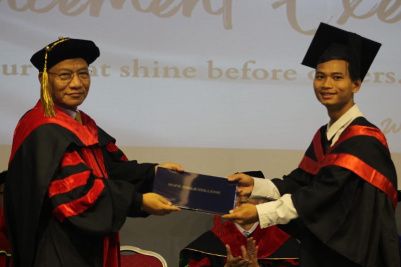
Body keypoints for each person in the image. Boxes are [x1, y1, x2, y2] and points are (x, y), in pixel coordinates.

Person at [223, 23, 400, 267]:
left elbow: (319, 196)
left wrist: (260, 213)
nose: (326, 84)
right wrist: (255, 186)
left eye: (337, 77)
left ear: (356, 84)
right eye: (320, 76)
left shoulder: (363, 140)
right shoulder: (325, 134)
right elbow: (300, 182)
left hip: (353, 256)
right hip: (323, 251)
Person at [4, 38, 183, 267]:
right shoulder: (43, 129)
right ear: (43, 80)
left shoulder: (81, 122)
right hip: (59, 248)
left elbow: (110, 168)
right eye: (65, 75)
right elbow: (77, 193)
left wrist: (154, 173)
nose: (77, 83)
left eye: (83, 73)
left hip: (87, 246)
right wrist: (137, 201)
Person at [179, 172, 300, 267]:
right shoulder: (212, 241)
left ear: (263, 201)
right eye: (236, 195)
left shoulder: (281, 242)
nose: (242, 199)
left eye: (248, 194)